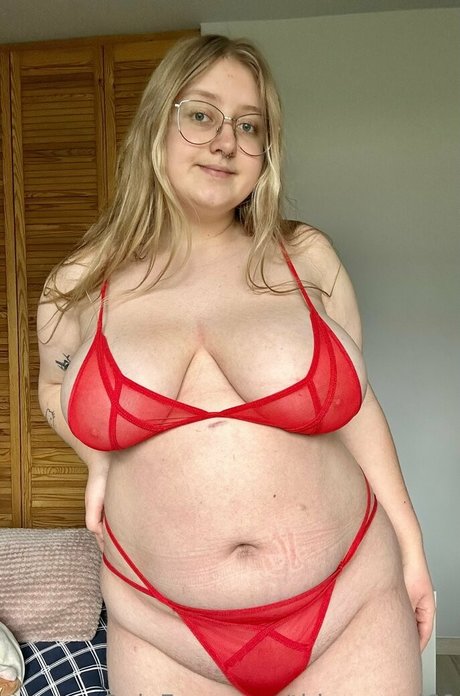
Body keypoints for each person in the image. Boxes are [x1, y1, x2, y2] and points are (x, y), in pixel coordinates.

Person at [37, 34, 434, 696]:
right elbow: (55, 386)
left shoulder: (307, 258)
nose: (225, 141)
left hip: (350, 603)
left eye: (250, 126)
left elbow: (356, 406)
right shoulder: (79, 285)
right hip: (161, 629)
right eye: (201, 114)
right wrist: (97, 458)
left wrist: (412, 547)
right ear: (157, 123)